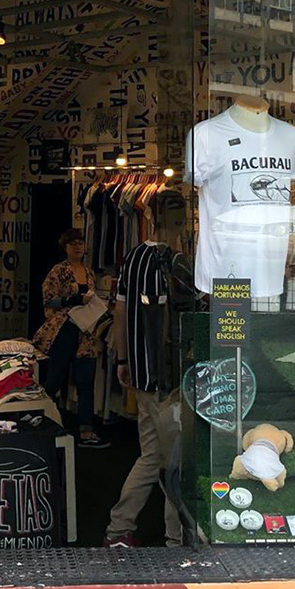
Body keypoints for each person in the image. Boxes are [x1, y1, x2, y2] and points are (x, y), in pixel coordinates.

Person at [104, 190, 190, 548]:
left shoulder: (133, 258)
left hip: (140, 371)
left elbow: (120, 311)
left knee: (152, 454)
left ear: (150, 217)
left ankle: (119, 528)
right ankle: (175, 537)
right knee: (175, 460)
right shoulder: (179, 263)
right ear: (181, 221)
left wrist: (123, 360)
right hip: (169, 377)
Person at [34, 229, 109, 450]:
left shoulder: (89, 272)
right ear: (65, 247)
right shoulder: (59, 271)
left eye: (80, 243)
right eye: (73, 243)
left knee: (86, 380)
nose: (77, 247)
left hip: (86, 331)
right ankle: (41, 419)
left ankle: (86, 430)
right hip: (64, 328)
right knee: (55, 377)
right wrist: (73, 299)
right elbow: (49, 299)